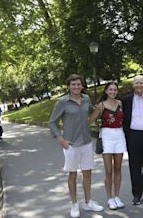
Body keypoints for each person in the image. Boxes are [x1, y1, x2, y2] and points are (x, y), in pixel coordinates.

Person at [49, 74, 104, 218]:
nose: (76, 87)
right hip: (71, 144)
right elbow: (52, 122)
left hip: (86, 142)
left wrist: (97, 110)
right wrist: (61, 139)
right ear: (68, 86)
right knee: (72, 174)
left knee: (87, 173)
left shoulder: (86, 99)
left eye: (79, 84)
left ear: (82, 86)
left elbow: (89, 118)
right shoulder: (62, 102)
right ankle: (74, 204)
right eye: (73, 84)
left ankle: (88, 201)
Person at [89, 80, 126, 210]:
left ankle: (117, 196)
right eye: (110, 89)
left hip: (119, 135)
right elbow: (90, 120)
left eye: (115, 90)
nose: (113, 92)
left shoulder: (120, 103)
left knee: (118, 169)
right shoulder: (101, 105)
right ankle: (110, 198)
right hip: (106, 136)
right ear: (106, 91)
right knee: (108, 170)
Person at [122, 75, 143, 205]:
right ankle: (137, 194)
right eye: (136, 83)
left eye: (141, 82)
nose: (139, 85)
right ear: (133, 85)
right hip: (133, 136)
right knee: (135, 165)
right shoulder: (126, 100)